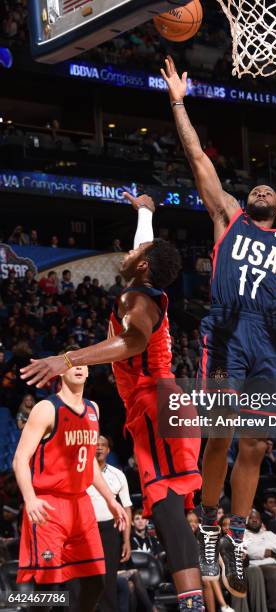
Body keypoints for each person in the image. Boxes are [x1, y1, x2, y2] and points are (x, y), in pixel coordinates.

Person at [161, 54, 276, 598]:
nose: (262, 191)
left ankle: (234, 528)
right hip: (231, 331)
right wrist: (177, 102)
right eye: (257, 188)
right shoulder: (227, 215)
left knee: (256, 444)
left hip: (270, 340)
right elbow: (196, 159)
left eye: (270, 193)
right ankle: (209, 522)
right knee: (220, 433)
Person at [20, 194, 204, 612]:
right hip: (167, 402)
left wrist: (64, 358)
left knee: (164, 501)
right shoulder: (144, 287)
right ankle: (193, 596)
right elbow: (145, 252)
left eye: (135, 253)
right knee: (168, 504)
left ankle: (193, 603)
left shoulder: (134, 301)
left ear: (141, 265)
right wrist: (145, 212)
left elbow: (132, 340)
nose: (128, 252)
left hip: (154, 402)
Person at [13, 347, 128, 612]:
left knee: (96, 581)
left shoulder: (93, 409)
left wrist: (111, 500)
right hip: (48, 505)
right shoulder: (46, 408)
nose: (78, 366)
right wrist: (30, 499)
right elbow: (20, 459)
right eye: (71, 362)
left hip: (81, 505)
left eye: (82, 362)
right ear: (60, 370)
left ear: (87, 371)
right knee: (47, 587)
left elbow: (89, 462)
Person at [87, 434, 133, 612]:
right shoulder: (81, 473)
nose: (98, 448)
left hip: (109, 530)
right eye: (95, 444)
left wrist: (127, 540)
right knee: (85, 578)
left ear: (108, 450)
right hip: (85, 531)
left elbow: (127, 508)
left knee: (109, 580)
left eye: (103, 445)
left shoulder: (118, 474)